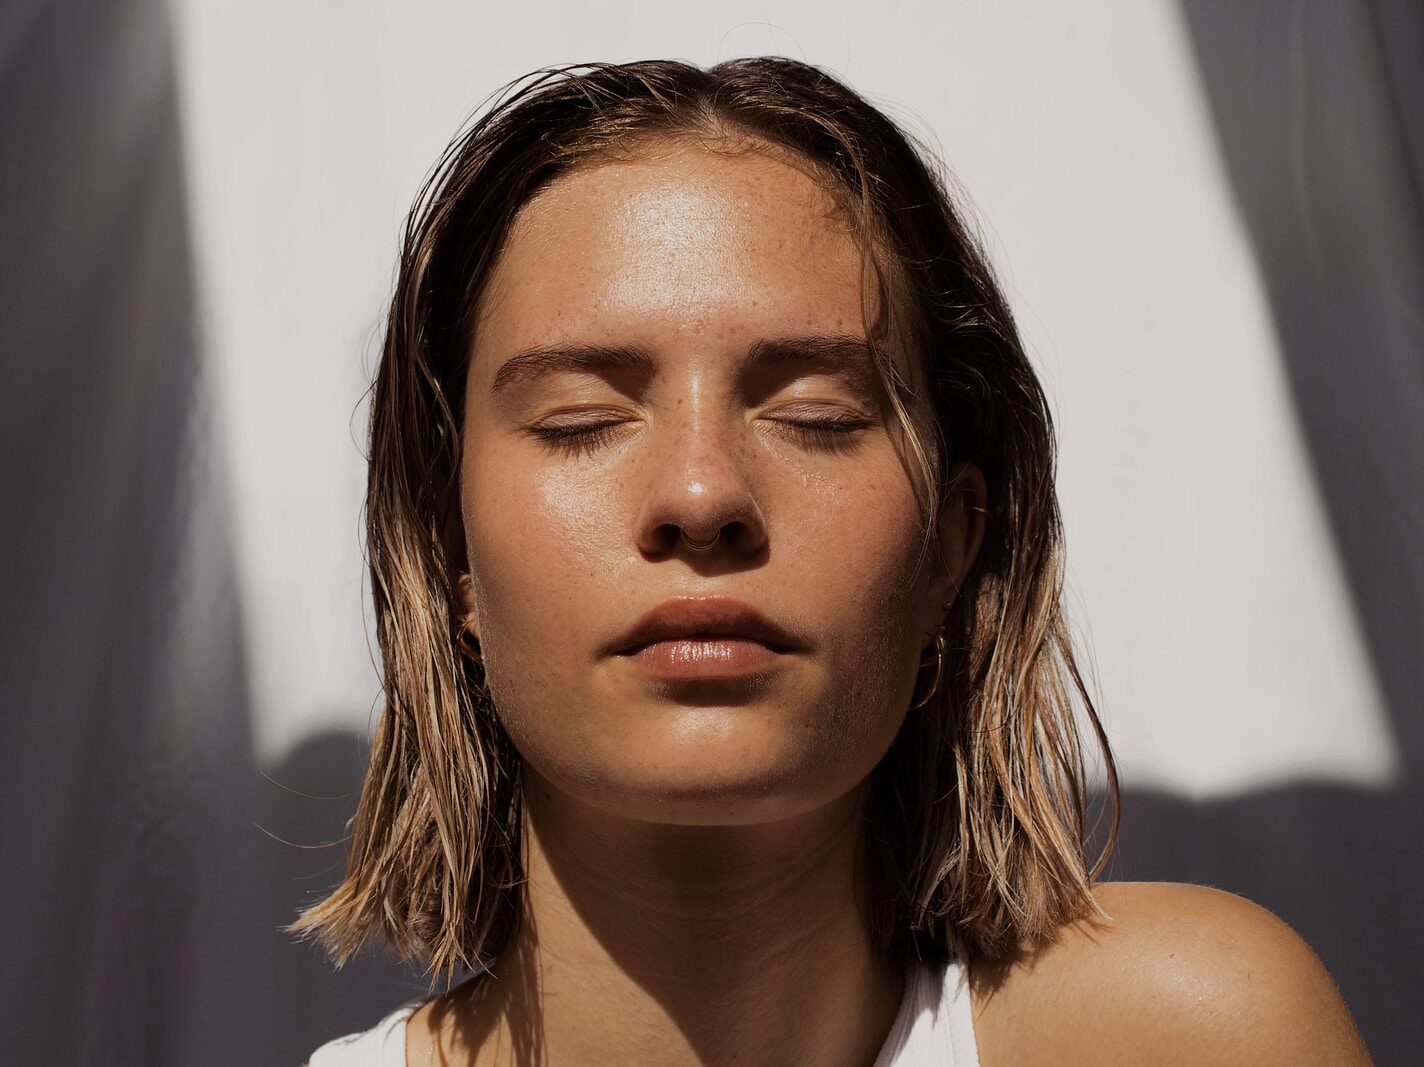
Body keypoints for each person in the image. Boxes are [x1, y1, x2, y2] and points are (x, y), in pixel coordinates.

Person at [296, 57, 1371, 1065]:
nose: (701, 495)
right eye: (580, 419)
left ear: (952, 545)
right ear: (448, 554)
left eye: (815, 413)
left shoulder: (1186, 1035)